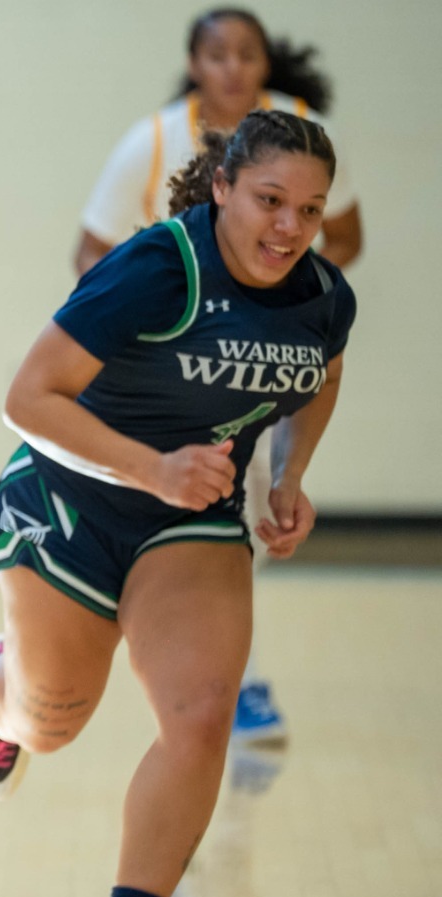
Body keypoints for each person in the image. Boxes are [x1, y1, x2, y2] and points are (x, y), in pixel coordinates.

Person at [0, 111, 352, 897]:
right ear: (222, 187)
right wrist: (152, 467)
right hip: (69, 499)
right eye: (270, 200)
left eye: (309, 210)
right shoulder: (158, 267)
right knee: (50, 722)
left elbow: (324, 372)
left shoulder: (324, 297)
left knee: (203, 710)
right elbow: (27, 397)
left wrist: (289, 473)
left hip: (193, 518)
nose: (288, 226)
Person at [76, 8, 361, 747]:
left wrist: (277, 291)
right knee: (128, 523)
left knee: (246, 511)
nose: (233, 67)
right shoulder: (152, 141)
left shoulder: (306, 131)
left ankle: (236, 679)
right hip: (160, 361)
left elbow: (347, 241)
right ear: (194, 64)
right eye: (217, 54)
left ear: (265, 63)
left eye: (247, 53)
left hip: (250, 360)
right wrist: (147, 309)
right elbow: (89, 252)